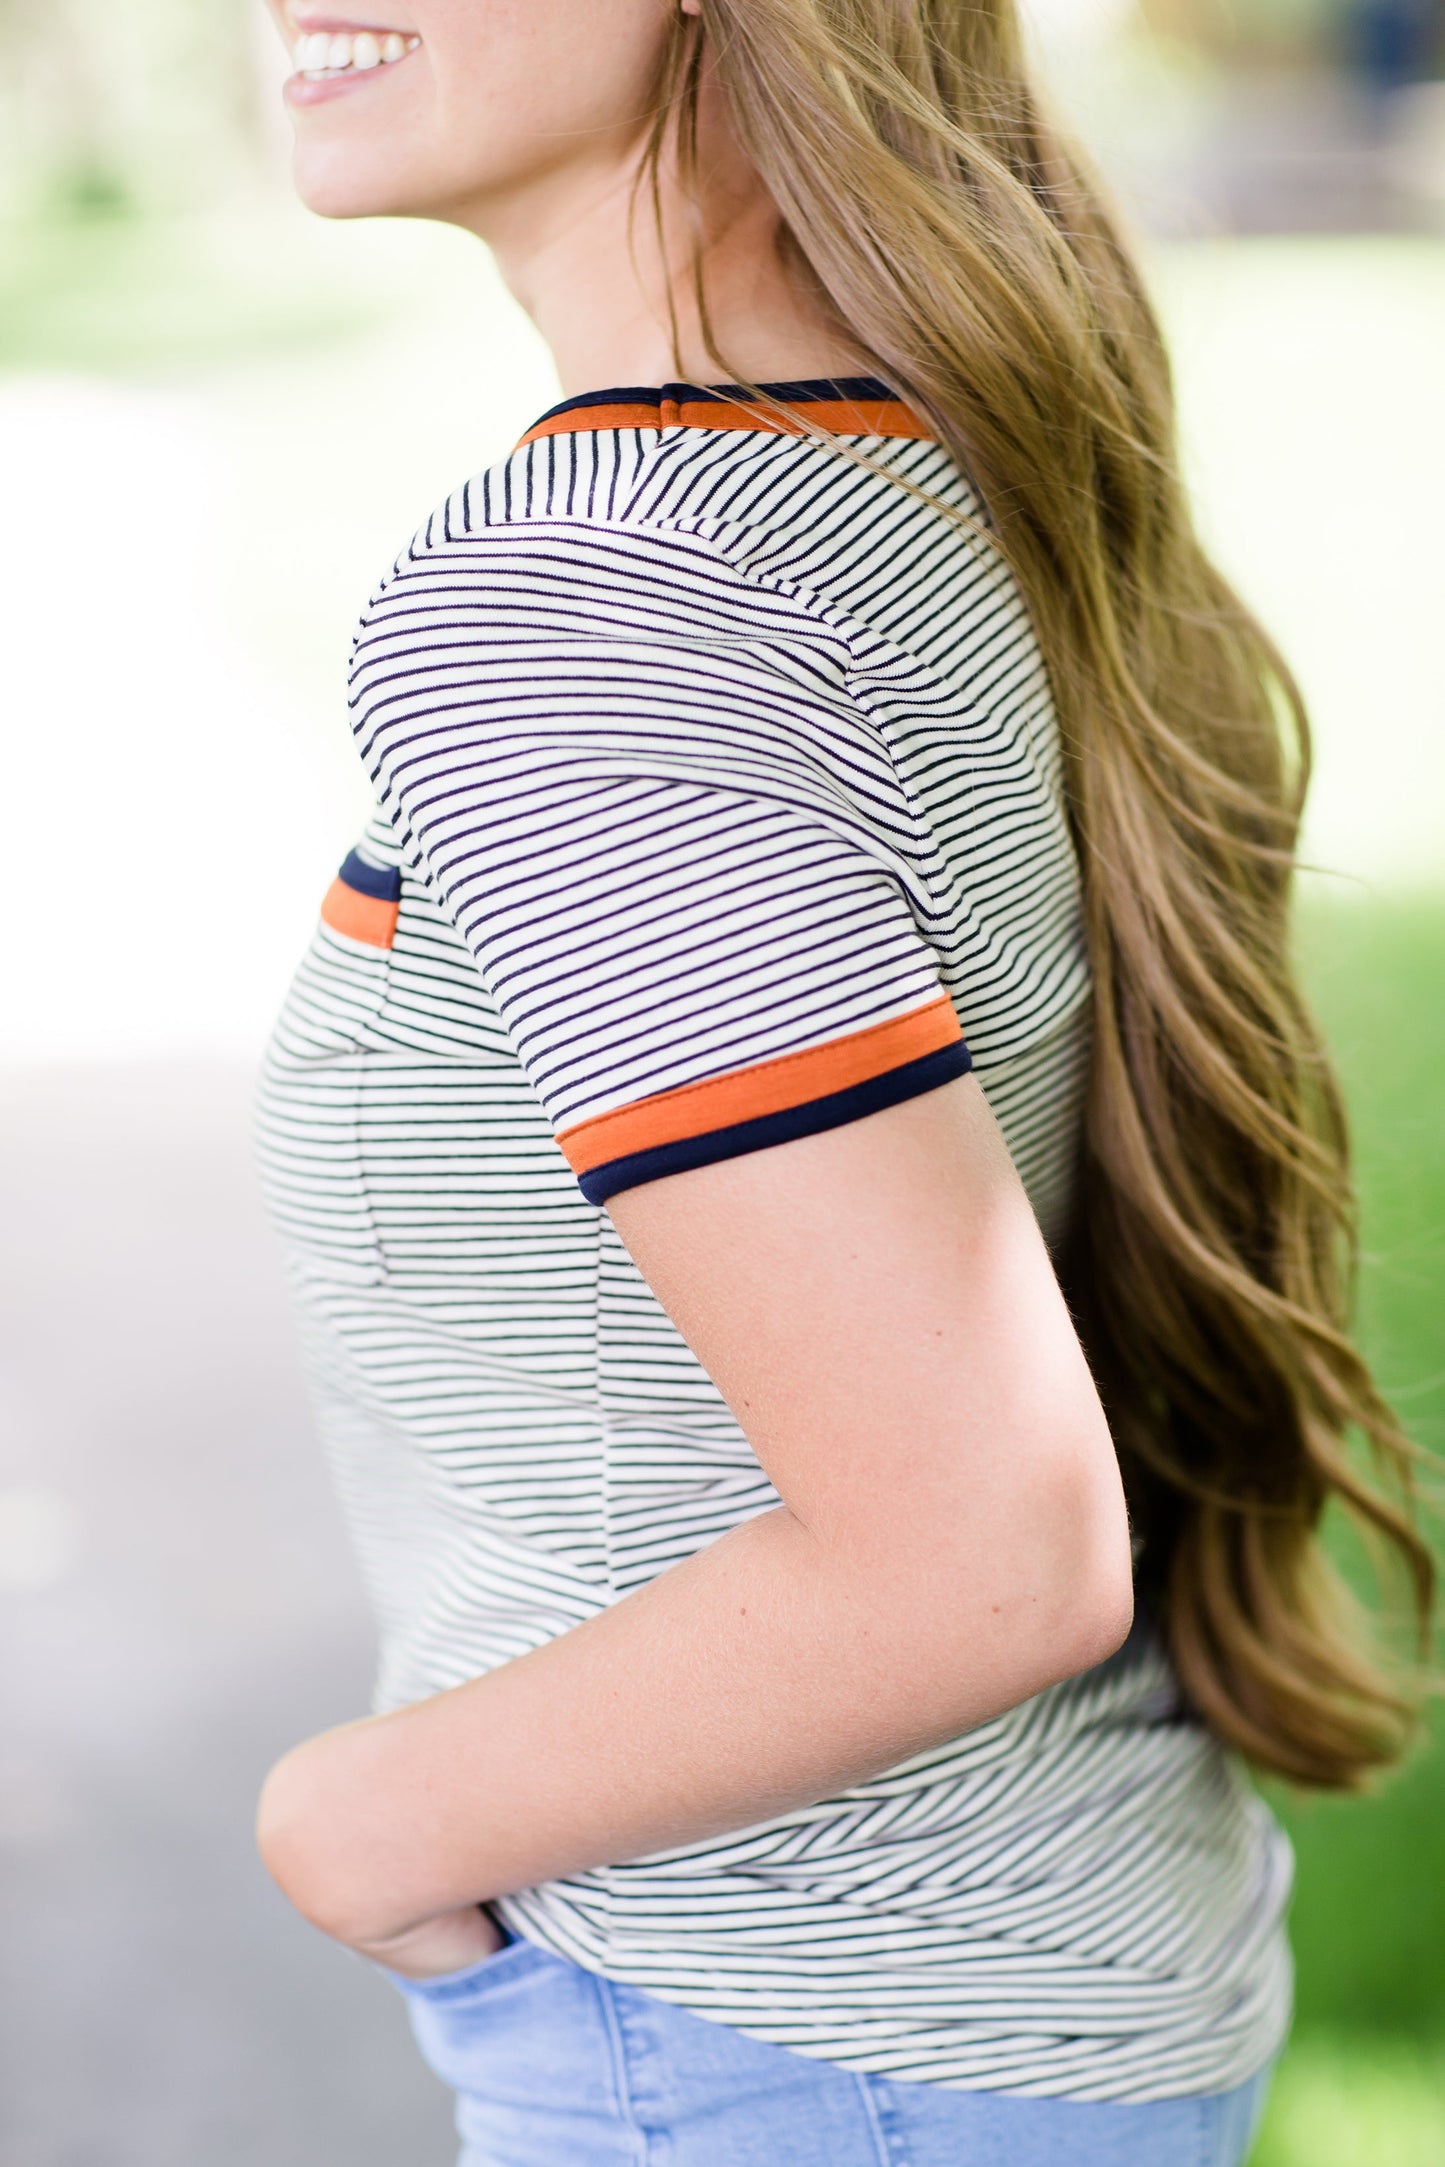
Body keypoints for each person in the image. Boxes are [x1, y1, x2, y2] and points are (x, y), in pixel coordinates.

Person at [250, 5, 1433, 2162]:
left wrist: (355, 1813)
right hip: (1031, 1999)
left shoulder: (584, 595)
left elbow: (981, 1549)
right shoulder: (931, 471)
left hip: (781, 2039)